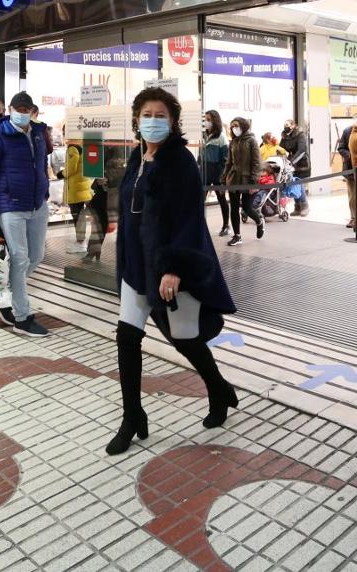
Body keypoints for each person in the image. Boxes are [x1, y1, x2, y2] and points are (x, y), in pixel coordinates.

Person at [107, 88, 238, 455]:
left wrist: (174, 268)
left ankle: (219, 389)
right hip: (136, 266)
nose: (152, 120)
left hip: (167, 267)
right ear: (136, 119)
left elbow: (188, 218)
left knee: (185, 339)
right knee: (126, 337)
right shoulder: (138, 157)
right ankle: (133, 416)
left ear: (173, 121)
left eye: (160, 114)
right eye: (146, 113)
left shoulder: (180, 161)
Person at [0, 91, 52, 336]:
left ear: (32, 111)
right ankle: (22, 316)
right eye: (17, 109)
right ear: (10, 109)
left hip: (37, 204)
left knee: (36, 256)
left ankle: (7, 293)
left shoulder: (39, 134)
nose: (21, 113)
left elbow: (41, 166)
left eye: (26, 109)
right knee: (19, 258)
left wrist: (45, 191)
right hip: (10, 206)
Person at [222, 117, 263, 247]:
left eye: (237, 126)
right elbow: (229, 162)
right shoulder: (233, 142)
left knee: (247, 208)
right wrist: (223, 179)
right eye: (233, 126)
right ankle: (237, 236)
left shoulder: (251, 141)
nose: (235, 129)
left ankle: (259, 221)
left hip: (248, 180)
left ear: (243, 126)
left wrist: (254, 182)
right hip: (233, 180)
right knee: (234, 208)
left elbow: (256, 163)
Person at [61, 137, 95, 254]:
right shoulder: (83, 146)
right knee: (80, 215)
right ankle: (82, 242)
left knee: (77, 216)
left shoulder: (73, 148)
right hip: (82, 186)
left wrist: (61, 173)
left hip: (75, 188)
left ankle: (80, 243)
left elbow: (71, 168)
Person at [201, 110, 230, 237]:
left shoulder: (221, 137)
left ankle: (226, 226)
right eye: (205, 119)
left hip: (217, 173)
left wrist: (222, 175)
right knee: (200, 200)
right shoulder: (203, 136)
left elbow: (225, 158)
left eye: (209, 119)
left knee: (222, 199)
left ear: (215, 121)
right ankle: (200, 226)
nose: (206, 122)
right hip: (205, 172)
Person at [279, 120, 311, 216]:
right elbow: (281, 148)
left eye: (288, 125)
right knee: (293, 184)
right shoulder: (285, 136)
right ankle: (297, 207)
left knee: (298, 183)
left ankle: (305, 206)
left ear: (293, 126)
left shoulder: (300, 135)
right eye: (285, 125)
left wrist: (292, 161)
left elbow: (302, 150)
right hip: (290, 165)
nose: (286, 127)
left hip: (302, 163)